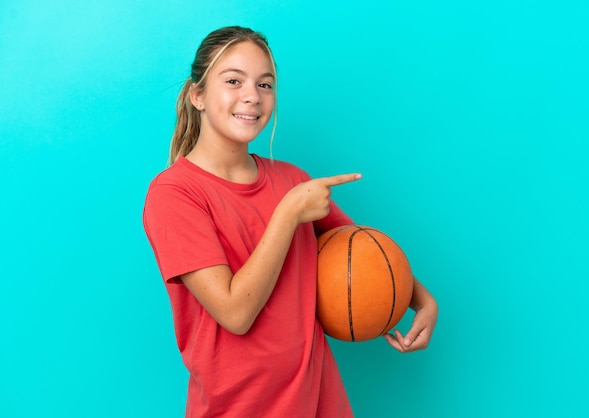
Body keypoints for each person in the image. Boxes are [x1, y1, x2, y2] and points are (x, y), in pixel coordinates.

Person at [143, 26, 438, 417]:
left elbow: (364, 255)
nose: (252, 95)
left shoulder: (292, 181)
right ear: (197, 95)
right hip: (238, 407)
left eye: (265, 84)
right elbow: (235, 313)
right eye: (234, 80)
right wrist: (287, 214)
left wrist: (423, 301)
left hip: (319, 402)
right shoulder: (175, 194)